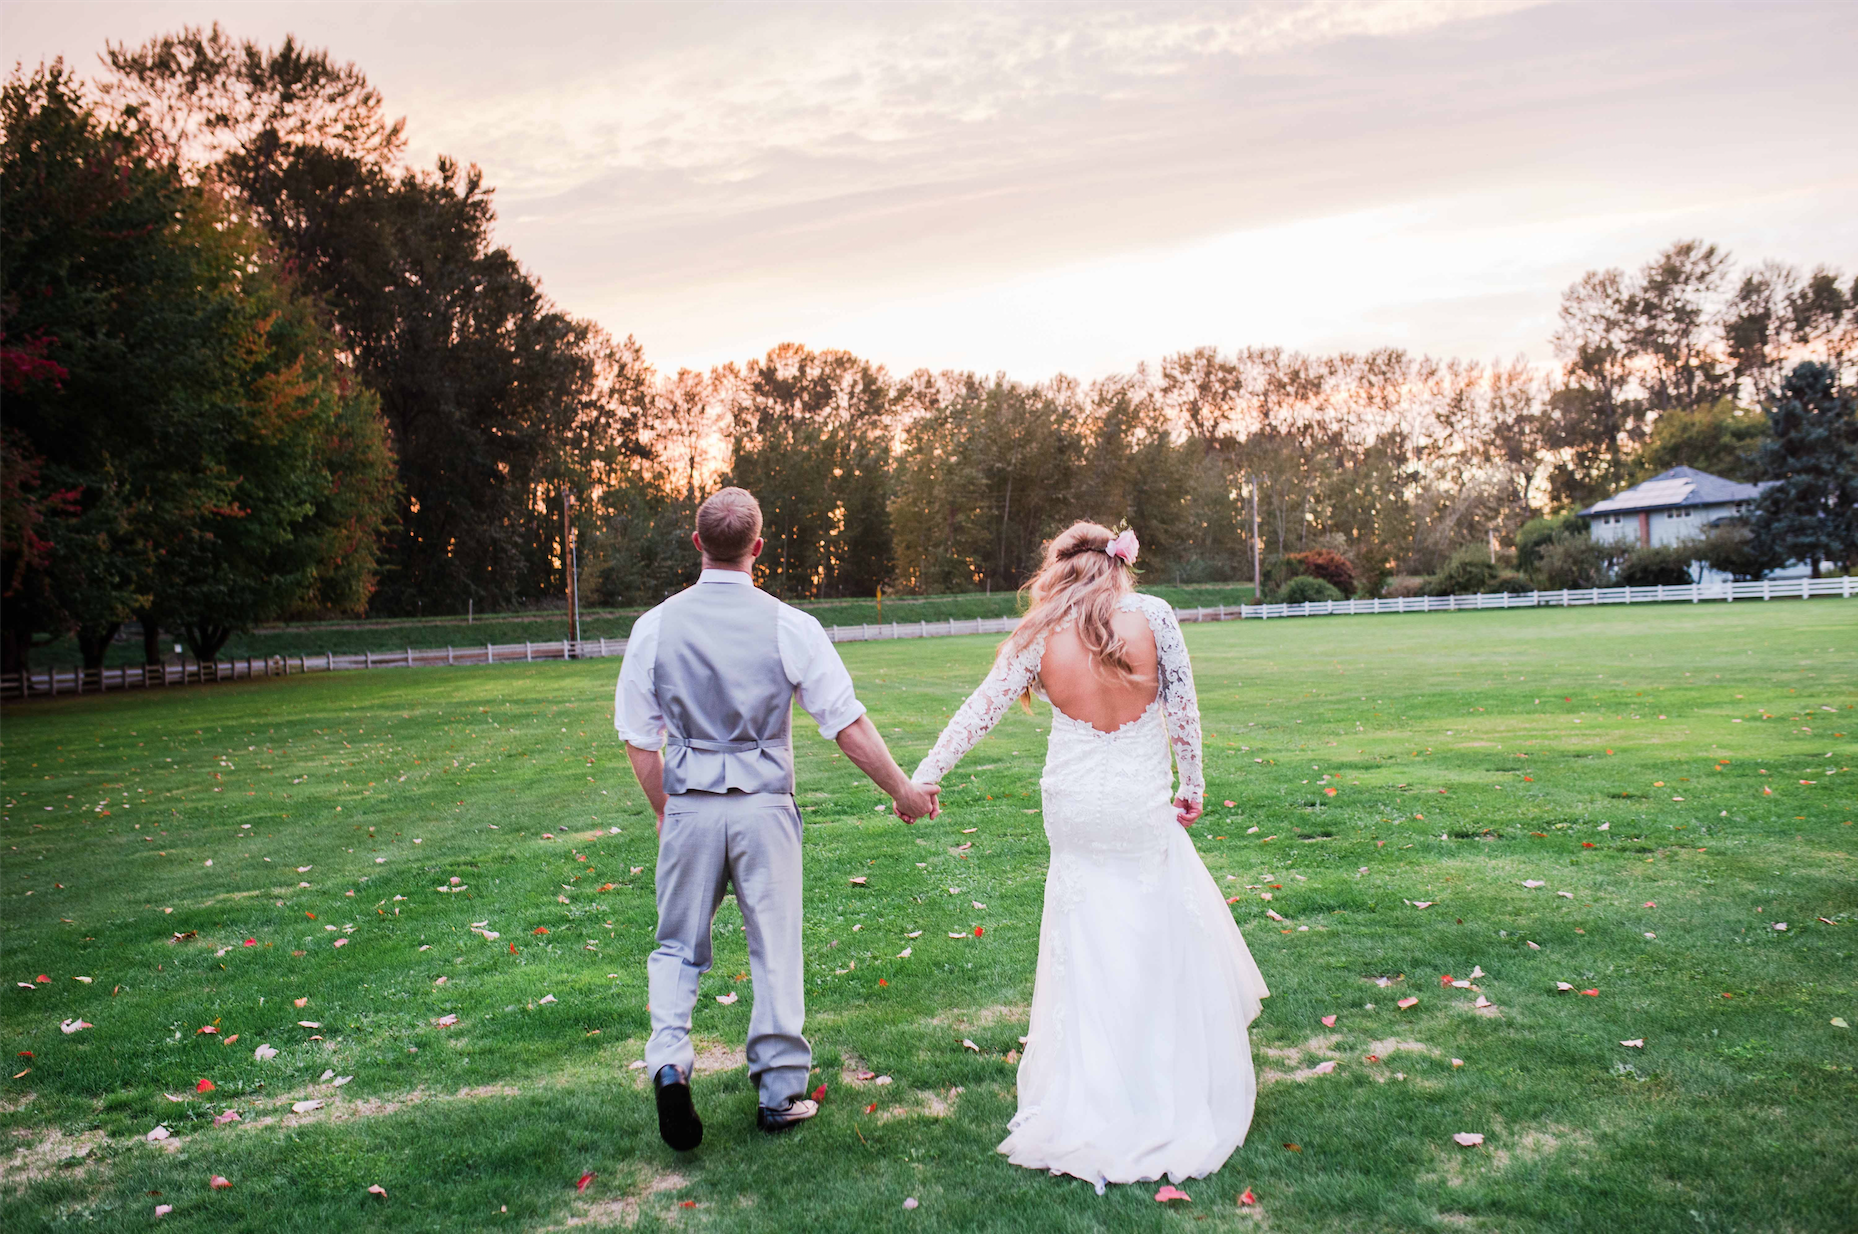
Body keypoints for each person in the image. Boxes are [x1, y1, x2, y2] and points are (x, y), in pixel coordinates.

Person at [911, 521, 1269, 1193]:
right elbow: (1184, 710)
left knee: (1087, 934)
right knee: (1150, 927)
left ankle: (1091, 1089)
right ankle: (1165, 1083)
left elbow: (980, 710)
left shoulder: (1040, 632)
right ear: (1119, 563)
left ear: (1060, 566)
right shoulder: (1154, 617)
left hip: (1074, 805)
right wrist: (1191, 785)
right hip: (1136, 803)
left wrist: (927, 775)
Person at [616, 487, 939, 1151]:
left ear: (698, 543)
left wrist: (663, 810)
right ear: (757, 548)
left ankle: (670, 1063)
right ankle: (777, 1093)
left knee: (677, 945)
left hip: (691, 806)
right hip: (764, 808)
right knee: (774, 947)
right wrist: (902, 789)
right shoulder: (789, 625)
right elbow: (844, 723)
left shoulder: (655, 627)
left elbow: (638, 737)